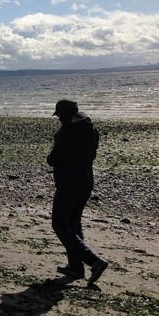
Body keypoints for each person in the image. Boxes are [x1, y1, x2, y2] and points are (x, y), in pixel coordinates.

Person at [48, 99, 108, 284]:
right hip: (86, 181)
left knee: (59, 224)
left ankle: (93, 261)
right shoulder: (90, 130)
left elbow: (54, 159)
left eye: (59, 116)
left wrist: (51, 157)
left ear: (65, 116)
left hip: (69, 184)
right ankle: (76, 267)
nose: (59, 120)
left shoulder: (66, 134)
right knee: (73, 224)